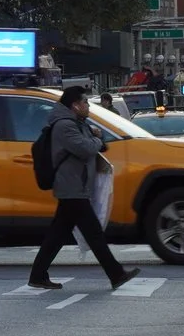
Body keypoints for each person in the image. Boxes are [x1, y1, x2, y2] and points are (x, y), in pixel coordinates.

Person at [26, 86, 141, 292]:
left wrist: (95, 137)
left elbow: (100, 146)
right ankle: (116, 274)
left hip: (75, 185)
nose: (88, 106)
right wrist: (95, 138)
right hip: (72, 186)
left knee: (58, 233)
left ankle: (38, 274)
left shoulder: (77, 124)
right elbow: (86, 148)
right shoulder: (64, 126)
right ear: (75, 105)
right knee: (93, 233)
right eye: (85, 102)